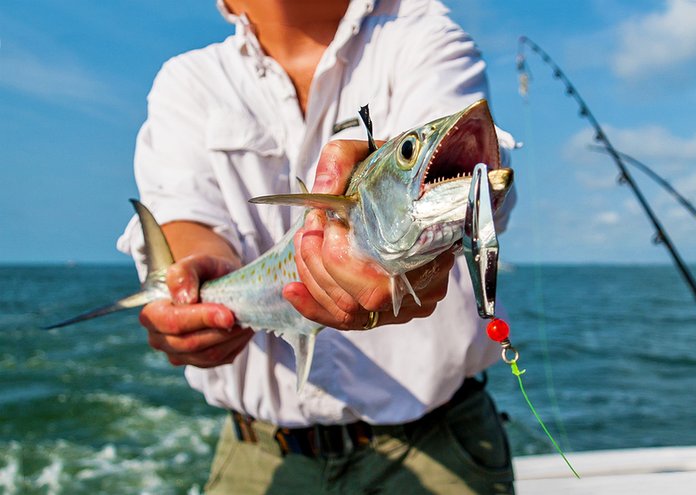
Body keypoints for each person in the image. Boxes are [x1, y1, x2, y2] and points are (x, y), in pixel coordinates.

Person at [117, 0, 517, 493]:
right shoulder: (187, 81)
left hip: (439, 445)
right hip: (258, 456)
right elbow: (188, 217)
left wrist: (430, 239)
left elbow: (459, 180)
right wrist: (190, 281)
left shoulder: (421, 30)